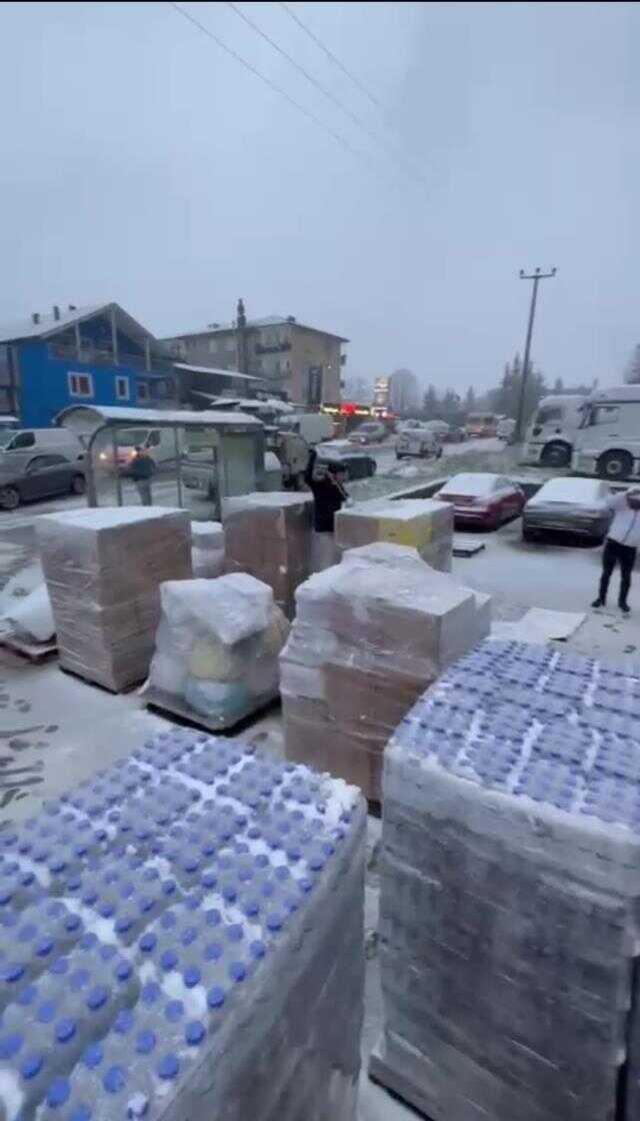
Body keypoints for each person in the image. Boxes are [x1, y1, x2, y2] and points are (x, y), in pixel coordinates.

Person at [592, 486, 640, 614]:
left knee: (626, 576)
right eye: (633, 498)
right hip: (613, 543)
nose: (635, 501)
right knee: (606, 573)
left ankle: (622, 602)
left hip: (630, 547)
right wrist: (626, 493)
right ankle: (601, 598)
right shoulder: (622, 507)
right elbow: (609, 501)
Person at [304, 447, 349, 571]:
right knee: (325, 563)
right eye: (342, 474)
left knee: (335, 562)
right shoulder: (321, 485)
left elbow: (346, 500)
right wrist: (313, 456)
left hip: (335, 529)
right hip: (324, 530)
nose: (344, 477)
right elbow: (308, 478)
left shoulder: (339, 487)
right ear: (333, 474)